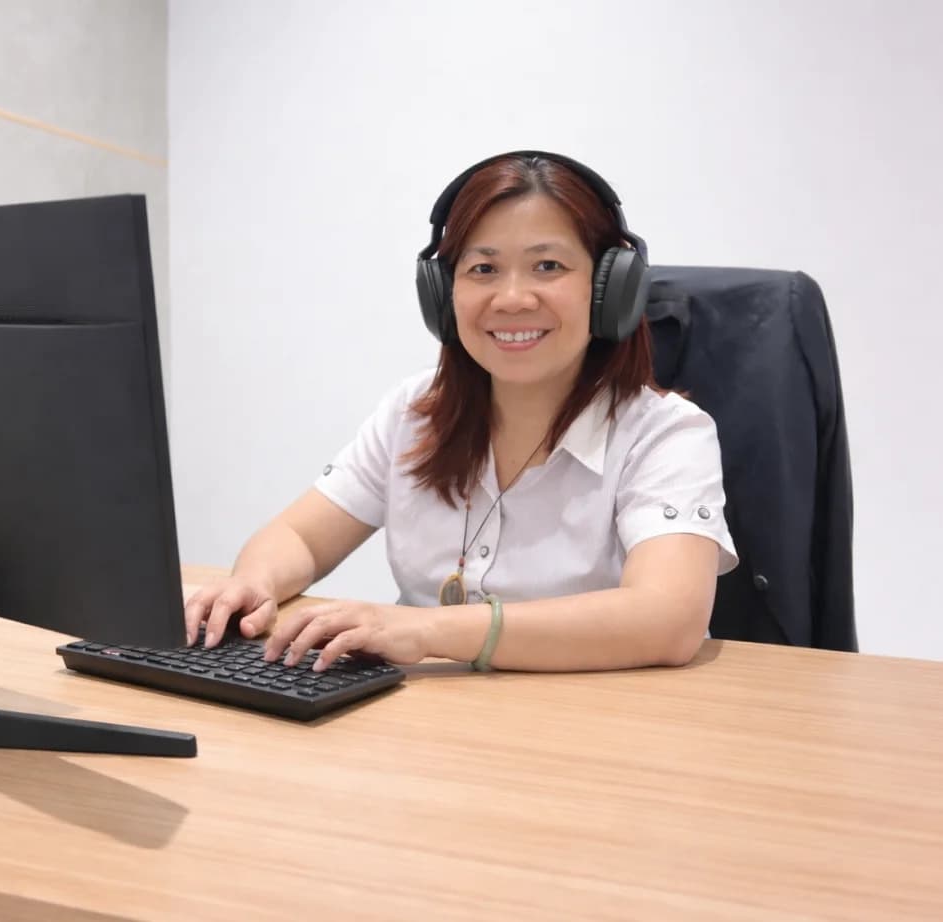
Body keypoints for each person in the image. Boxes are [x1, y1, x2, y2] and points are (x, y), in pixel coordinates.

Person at [184, 150, 739, 673]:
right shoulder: (415, 412)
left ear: (610, 288)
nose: (513, 298)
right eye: (483, 269)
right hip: (426, 725)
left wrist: (428, 631)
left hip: (589, 736)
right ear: (442, 293)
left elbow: (668, 619)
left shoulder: (666, 436)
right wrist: (254, 582)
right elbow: (301, 537)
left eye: (548, 265)